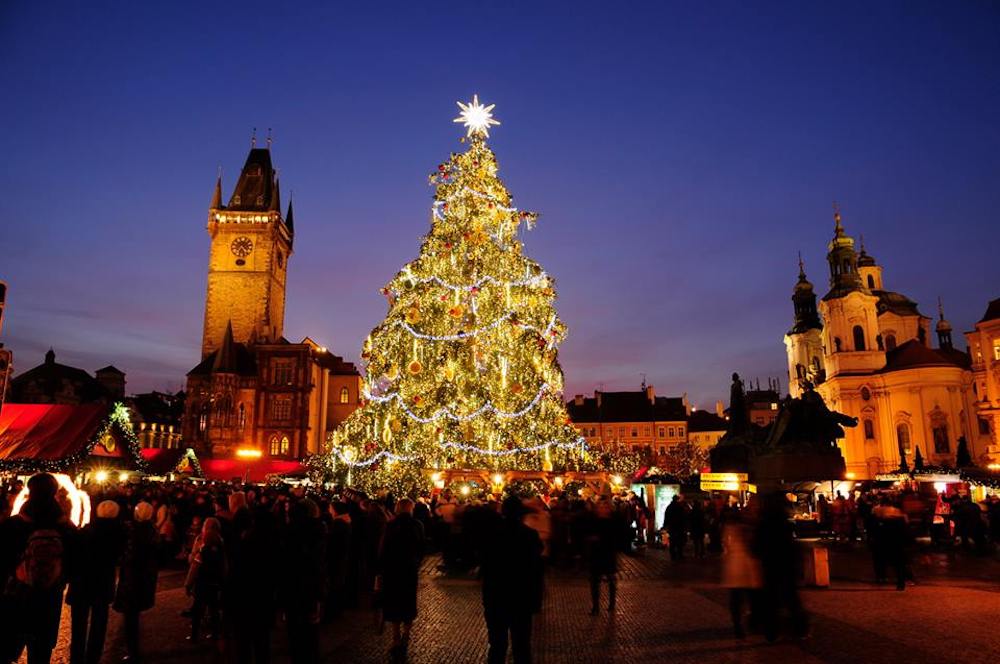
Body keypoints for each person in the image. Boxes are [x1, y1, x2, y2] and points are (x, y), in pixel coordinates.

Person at [0, 473, 76, 664]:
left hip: (15, 597)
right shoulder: (66, 527)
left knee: (6, 649)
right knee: (41, 652)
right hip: (49, 599)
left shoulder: (14, 524)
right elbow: (75, 564)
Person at [479, 496, 544, 664]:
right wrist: (536, 599)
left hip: (496, 596)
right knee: (522, 646)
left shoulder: (490, 534)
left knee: (497, 645)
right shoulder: (530, 536)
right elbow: (536, 570)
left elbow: (485, 565)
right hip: (522, 597)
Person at [67, 499, 125, 664]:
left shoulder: (85, 531)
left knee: (78, 624)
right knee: (99, 623)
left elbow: (73, 554)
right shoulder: (119, 533)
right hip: (103, 583)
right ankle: (93, 657)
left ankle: (76, 657)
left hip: (81, 582)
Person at [753, 491, 808, 642]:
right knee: (791, 599)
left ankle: (772, 632)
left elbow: (756, 548)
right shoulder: (785, 523)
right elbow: (793, 546)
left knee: (771, 601)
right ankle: (800, 629)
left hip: (770, 566)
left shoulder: (763, 523)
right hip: (786, 566)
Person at [379, 499, 425, 662]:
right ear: (411, 509)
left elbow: (383, 548)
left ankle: (396, 636)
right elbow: (422, 547)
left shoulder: (392, 525)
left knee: (394, 602)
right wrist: (416, 562)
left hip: (393, 570)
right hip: (409, 570)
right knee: (408, 602)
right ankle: (406, 633)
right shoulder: (417, 525)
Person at [282, 498, 327, 664]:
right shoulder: (319, 530)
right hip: (310, 589)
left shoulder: (290, 530)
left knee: (295, 633)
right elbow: (318, 566)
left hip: (293, 588)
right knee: (310, 632)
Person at [114, 501, 160, 662]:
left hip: (133, 579)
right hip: (146, 577)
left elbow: (130, 555)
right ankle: (132, 647)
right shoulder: (152, 530)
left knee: (131, 615)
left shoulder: (134, 531)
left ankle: (133, 650)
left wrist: (122, 559)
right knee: (134, 613)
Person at [720, 507, 762, 638]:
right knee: (751, 598)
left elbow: (726, 547)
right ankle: (751, 623)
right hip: (747, 570)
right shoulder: (749, 529)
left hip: (736, 570)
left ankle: (739, 626)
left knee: (737, 600)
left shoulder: (729, 529)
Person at [185, 517, 226, 640]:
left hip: (202, 584)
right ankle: (215, 633)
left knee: (198, 609)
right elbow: (224, 566)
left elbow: (194, 569)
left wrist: (188, 584)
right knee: (214, 610)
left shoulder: (202, 552)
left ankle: (194, 635)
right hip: (214, 584)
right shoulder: (220, 548)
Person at [585, 498, 620, 615]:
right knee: (595, 581)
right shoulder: (593, 521)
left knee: (611, 579)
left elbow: (617, 536)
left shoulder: (613, 521)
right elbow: (587, 534)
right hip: (596, 554)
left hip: (608, 553)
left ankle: (612, 603)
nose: (603, 509)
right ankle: (595, 606)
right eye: (600, 507)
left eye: (605, 507)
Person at [663, 494, 688, 561]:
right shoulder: (679, 507)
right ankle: (679, 555)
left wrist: (665, 526)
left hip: (671, 527)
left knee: (672, 542)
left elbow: (666, 517)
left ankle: (673, 556)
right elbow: (683, 518)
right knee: (679, 542)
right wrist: (685, 526)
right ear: (677, 499)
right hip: (679, 527)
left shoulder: (669, 507)